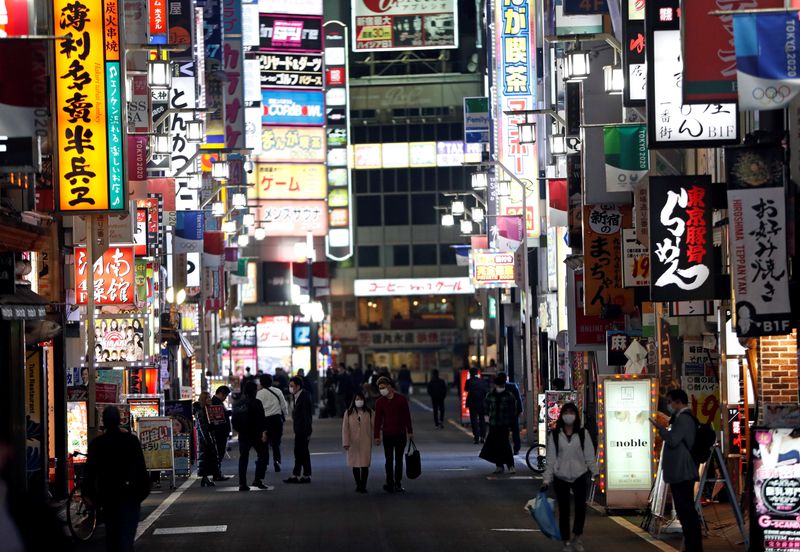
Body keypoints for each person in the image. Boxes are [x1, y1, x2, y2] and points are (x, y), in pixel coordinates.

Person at [83, 405, 150, 552]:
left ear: (103, 422)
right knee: (126, 536)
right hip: (130, 494)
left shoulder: (97, 444)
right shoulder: (131, 440)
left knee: (112, 534)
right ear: (120, 420)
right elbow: (141, 468)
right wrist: (142, 492)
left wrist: (88, 494)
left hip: (108, 495)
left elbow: (90, 471)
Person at [650, 389, 703, 552]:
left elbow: (673, 440)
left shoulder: (684, 419)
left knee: (685, 510)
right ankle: (691, 545)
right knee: (685, 510)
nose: (669, 406)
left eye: (670, 401)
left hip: (683, 471)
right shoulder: (682, 418)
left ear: (678, 402)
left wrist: (661, 428)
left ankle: (693, 546)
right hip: (681, 471)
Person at [541, 403, 598, 552]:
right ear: (561, 415)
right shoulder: (554, 435)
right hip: (561, 477)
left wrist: (595, 472)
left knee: (580, 508)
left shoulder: (582, 433)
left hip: (580, 475)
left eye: (571, 412)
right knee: (564, 510)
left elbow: (589, 456)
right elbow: (551, 459)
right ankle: (566, 541)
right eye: (566, 412)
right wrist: (547, 479)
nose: (568, 415)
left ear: (576, 415)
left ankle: (577, 537)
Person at [373, 377, 413, 493]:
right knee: (389, 459)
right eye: (380, 388)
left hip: (400, 434)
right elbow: (377, 420)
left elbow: (407, 416)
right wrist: (376, 436)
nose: (381, 390)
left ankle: (398, 483)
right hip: (387, 434)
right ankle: (389, 482)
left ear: (389, 386)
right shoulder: (379, 402)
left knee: (399, 460)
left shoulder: (401, 399)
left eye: (383, 388)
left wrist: (410, 431)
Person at [232, 381, 269, 491]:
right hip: (256, 434)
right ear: (254, 391)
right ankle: (258, 479)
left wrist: (239, 430)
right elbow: (261, 419)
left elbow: (234, 421)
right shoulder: (257, 402)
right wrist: (263, 432)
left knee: (243, 458)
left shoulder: (237, 403)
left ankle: (242, 484)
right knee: (263, 455)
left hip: (243, 435)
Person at [480, 374, 517, 474]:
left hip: (503, 424)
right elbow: (486, 408)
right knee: (496, 445)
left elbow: (513, 410)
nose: (500, 386)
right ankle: (500, 466)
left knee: (505, 444)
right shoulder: (491, 395)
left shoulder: (508, 396)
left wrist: (511, 423)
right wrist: (487, 419)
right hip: (494, 424)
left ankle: (510, 465)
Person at [342, 391, 374, 493]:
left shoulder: (370, 412)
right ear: (353, 401)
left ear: (364, 400)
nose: (359, 401)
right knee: (355, 464)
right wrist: (345, 442)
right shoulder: (348, 412)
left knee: (365, 464)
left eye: (360, 399)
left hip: (366, 441)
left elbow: (375, 426)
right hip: (353, 442)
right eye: (357, 399)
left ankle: (363, 485)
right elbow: (345, 429)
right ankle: (358, 484)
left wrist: (377, 437)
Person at [256, 374, 288, 473]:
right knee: (276, 443)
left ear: (261, 382)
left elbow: (257, 409)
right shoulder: (278, 391)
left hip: (264, 420)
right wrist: (284, 417)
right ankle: (277, 461)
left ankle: (264, 462)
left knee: (263, 443)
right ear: (271, 381)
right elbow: (283, 406)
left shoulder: (259, 394)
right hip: (276, 420)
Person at [285, 376, 313, 484]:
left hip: (303, 430)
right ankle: (300, 475)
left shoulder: (304, 397)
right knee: (300, 452)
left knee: (301, 452)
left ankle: (301, 475)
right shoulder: (297, 395)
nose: (290, 388)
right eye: (289, 386)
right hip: (299, 429)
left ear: (298, 386)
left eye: (292, 386)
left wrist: (307, 432)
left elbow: (307, 416)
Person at [193, 392, 218, 487]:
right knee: (205, 459)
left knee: (206, 459)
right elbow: (203, 427)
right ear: (203, 399)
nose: (209, 399)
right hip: (204, 439)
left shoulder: (206, 409)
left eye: (210, 397)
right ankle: (205, 478)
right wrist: (208, 440)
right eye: (207, 398)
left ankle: (205, 479)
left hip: (206, 437)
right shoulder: (201, 411)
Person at [210, 385, 231, 481]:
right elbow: (218, 417)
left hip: (221, 432)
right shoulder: (215, 402)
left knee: (219, 453)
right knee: (219, 452)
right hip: (219, 432)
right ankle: (217, 473)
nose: (225, 398)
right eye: (225, 396)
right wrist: (228, 413)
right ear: (221, 393)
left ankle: (217, 473)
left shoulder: (216, 401)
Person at [500, 371, 524, 454]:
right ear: (506, 378)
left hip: (502, 414)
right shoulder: (513, 386)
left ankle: (505, 449)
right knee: (515, 432)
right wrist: (520, 410)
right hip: (513, 412)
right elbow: (518, 398)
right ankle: (516, 449)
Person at [464, 368, 488, 444]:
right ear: (477, 373)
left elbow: (466, 389)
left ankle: (476, 437)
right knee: (482, 420)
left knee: (474, 420)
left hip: (472, 403)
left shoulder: (469, 381)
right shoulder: (482, 381)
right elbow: (486, 391)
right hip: (481, 403)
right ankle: (483, 437)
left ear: (470, 373)